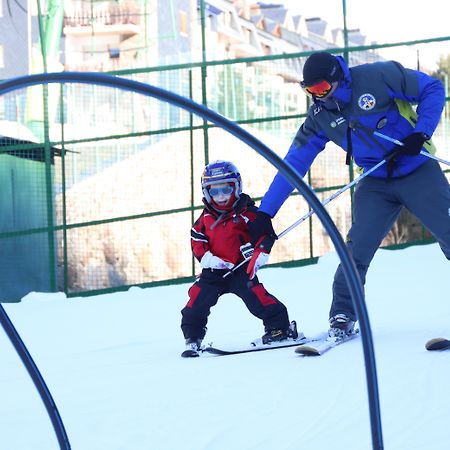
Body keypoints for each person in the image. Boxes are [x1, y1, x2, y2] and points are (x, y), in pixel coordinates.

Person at [248, 51, 450, 337]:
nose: (318, 97)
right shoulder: (320, 117)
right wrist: (265, 213)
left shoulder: (378, 76)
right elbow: (294, 163)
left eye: (322, 89)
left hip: (417, 169)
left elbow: (432, 88)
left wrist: (421, 132)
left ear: (337, 79)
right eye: (310, 90)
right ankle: (343, 314)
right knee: (355, 250)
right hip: (375, 180)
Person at [180, 160, 298, 357]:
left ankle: (279, 328)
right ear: (206, 193)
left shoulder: (249, 214)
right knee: (196, 301)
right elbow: (197, 242)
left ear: (236, 187)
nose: (221, 197)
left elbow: (264, 235)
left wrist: (260, 254)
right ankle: (193, 337)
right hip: (214, 273)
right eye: (214, 192)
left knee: (258, 299)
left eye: (226, 190)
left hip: (242, 270)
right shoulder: (204, 220)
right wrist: (209, 259)